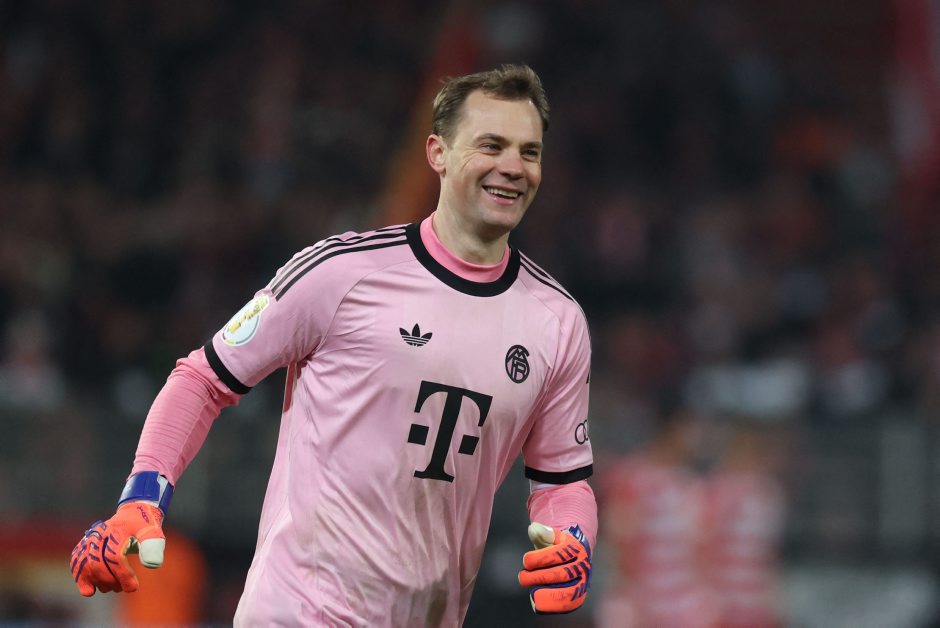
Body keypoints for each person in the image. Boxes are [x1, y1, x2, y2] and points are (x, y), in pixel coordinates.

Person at [69, 64, 597, 626]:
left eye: (529, 152)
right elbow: (203, 379)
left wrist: (574, 540)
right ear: (437, 153)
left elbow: (562, 481)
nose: (513, 167)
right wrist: (142, 496)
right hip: (299, 612)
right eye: (491, 145)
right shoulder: (342, 272)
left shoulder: (557, 322)